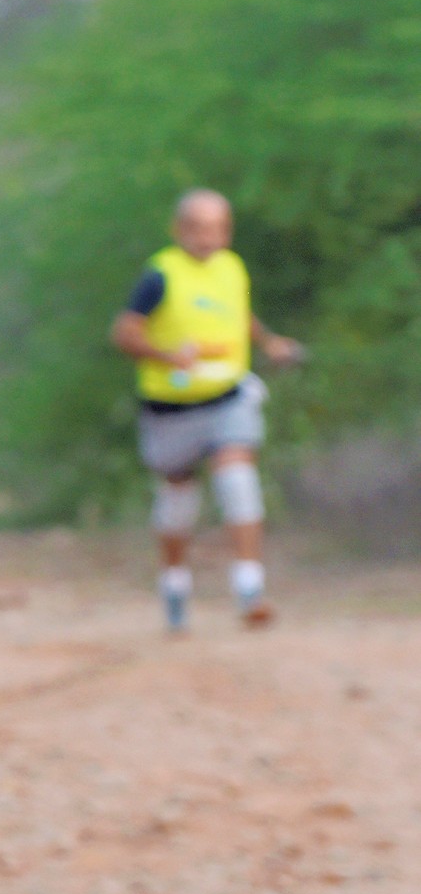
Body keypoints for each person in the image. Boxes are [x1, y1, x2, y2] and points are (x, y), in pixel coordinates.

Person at [108, 188, 303, 630]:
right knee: (178, 497)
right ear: (179, 229)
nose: (207, 238)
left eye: (217, 228)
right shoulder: (160, 275)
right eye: (198, 228)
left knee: (237, 477)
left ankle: (250, 587)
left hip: (227, 396)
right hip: (171, 407)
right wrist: (165, 355)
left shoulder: (232, 268)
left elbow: (238, 315)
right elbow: (124, 333)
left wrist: (269, 342)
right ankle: (175, 584)